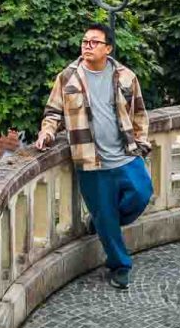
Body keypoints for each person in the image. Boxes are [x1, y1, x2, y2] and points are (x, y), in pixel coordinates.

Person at [34, 22, 153, 290]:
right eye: (84, 41)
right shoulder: (68, 77)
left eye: (94, 42)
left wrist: (141, 144)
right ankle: (120, 265)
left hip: (125, 155)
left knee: (142, 193)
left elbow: (139, 113)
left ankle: (102, 223)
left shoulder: (125, 76)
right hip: (90, 162)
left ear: (108, 48)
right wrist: (47, 133)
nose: (87, 46)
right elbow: (53, 112)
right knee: (107, 218)